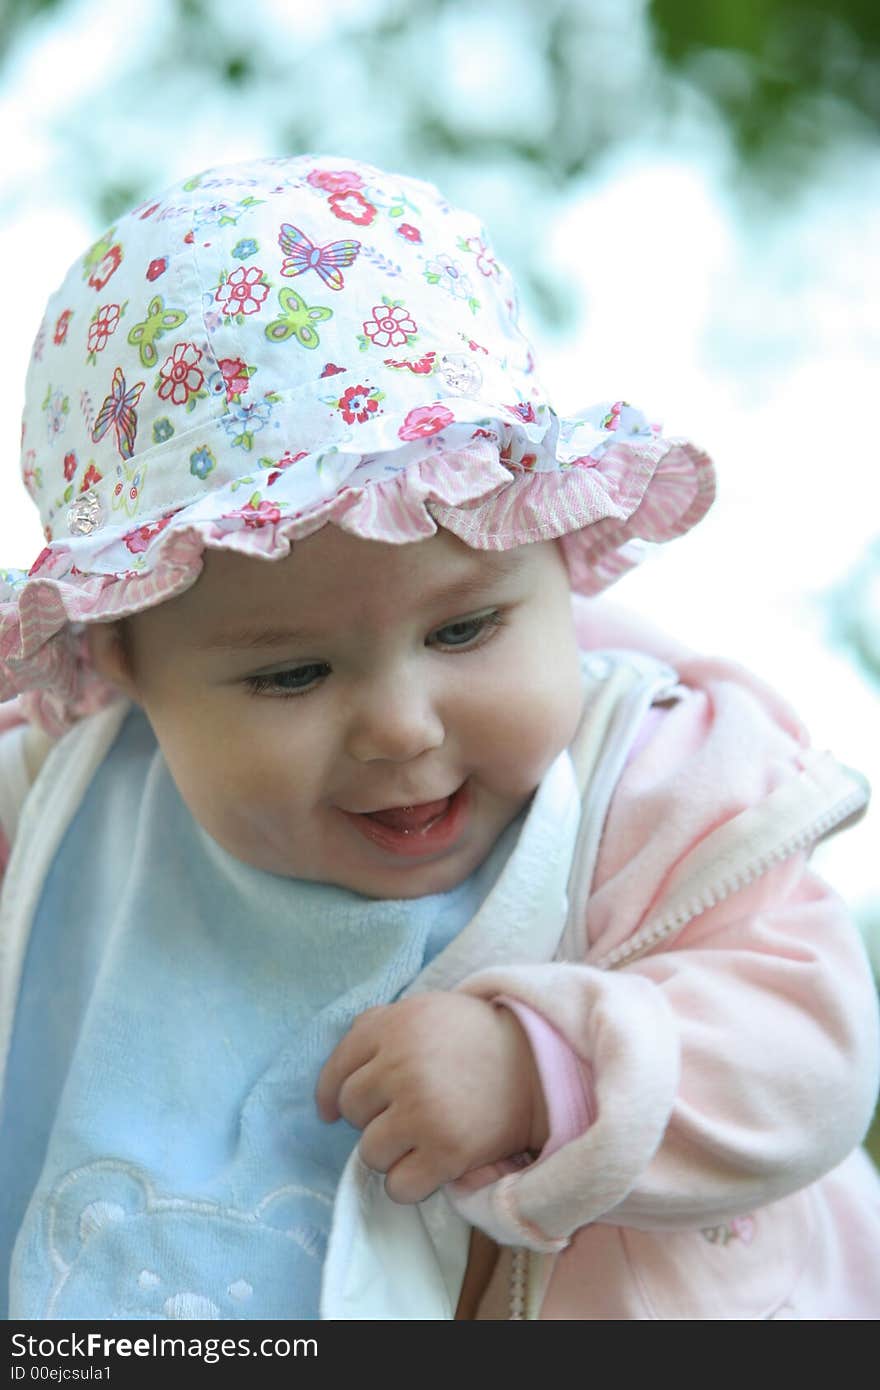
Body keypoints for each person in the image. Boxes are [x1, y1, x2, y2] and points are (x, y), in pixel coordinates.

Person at [0, 154, 877, 1322]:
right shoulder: (66, 805)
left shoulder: (647, 775)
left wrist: (541, 1074)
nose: (402, 726)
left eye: (465, 626)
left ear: (557, 551)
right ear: (121, 663)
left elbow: (804, 1051)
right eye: (291, 672)